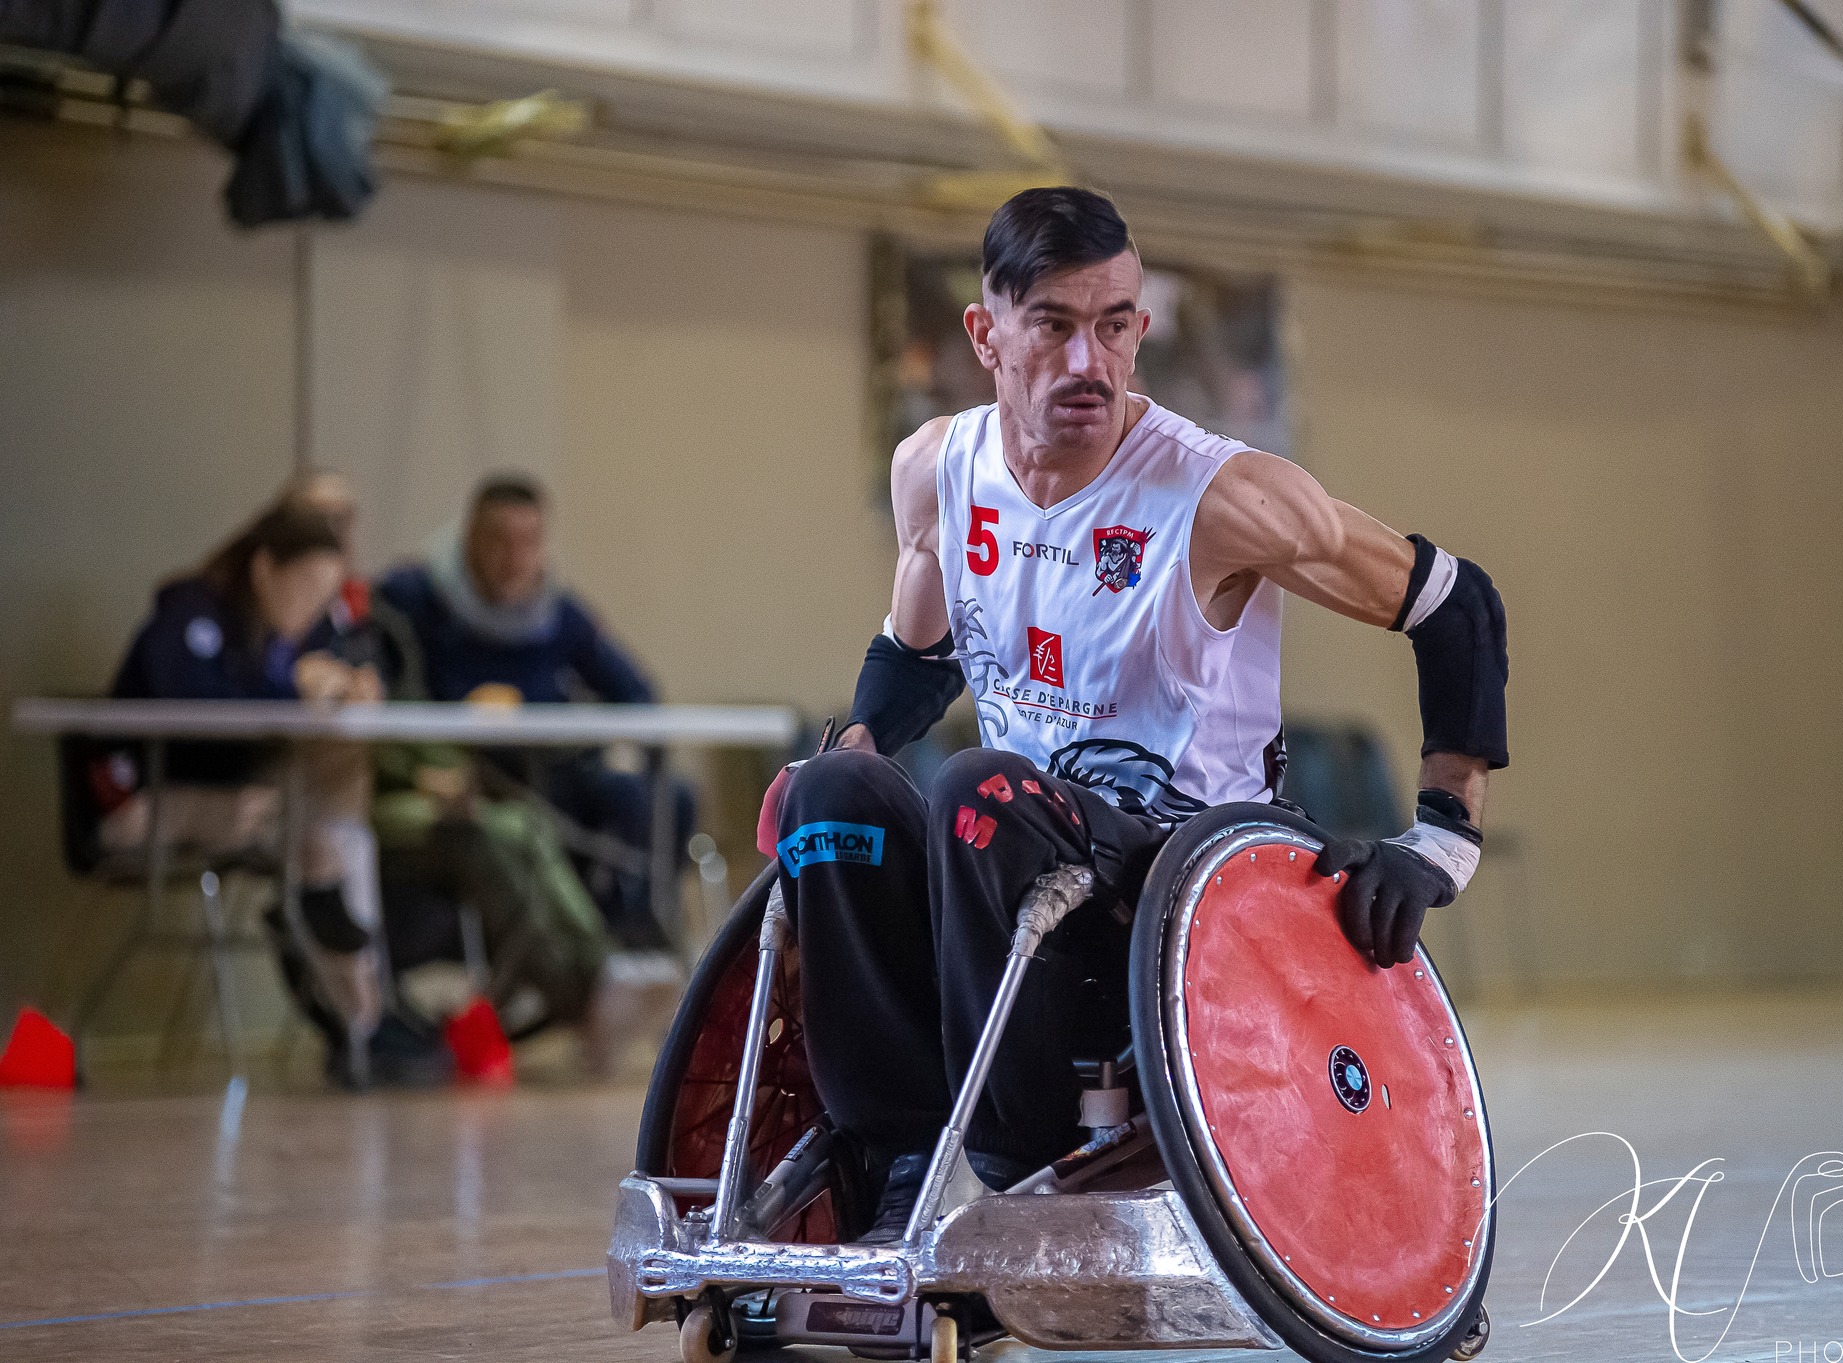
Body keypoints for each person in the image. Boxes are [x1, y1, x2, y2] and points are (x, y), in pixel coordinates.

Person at [765, 188, 1510, 1240]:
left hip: (1185, 867)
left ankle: (1006, 1165)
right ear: (985, 334)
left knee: (975, 791)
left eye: (1112, 326)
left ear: (1138, 331)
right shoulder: (936, 468)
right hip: (1015, 849)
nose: (1088, 362)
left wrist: (1441, 836)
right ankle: (891, 1156)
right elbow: (917, 652)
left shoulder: (1223, 496)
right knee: (831, 793)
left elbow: (1455, 605)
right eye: (1055, 327)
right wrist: (846, 750)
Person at [98, 503, 449, 1088]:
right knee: (303, 826)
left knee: (326, 828)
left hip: (232, 806)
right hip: (136, 807)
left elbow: (328, 674)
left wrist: (346, 683)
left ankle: (359, 1018)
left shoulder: (289, 635)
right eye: (305, 587)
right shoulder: (192, 612)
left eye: (325, 592)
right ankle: (348, 982)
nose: (313, 606)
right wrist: (293, 687)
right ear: (264, 569)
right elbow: (188, 701)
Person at [379, 474, 695, 950]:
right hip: (472, 780)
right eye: (499, 541)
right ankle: (584, 954)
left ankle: (628, 935)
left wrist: (624, 748)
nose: (514, 559)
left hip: (558, 775)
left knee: (666, 797)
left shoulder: (561, 615)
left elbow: (635, 691)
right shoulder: (413, 601)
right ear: (469, 538)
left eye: (528, 542)